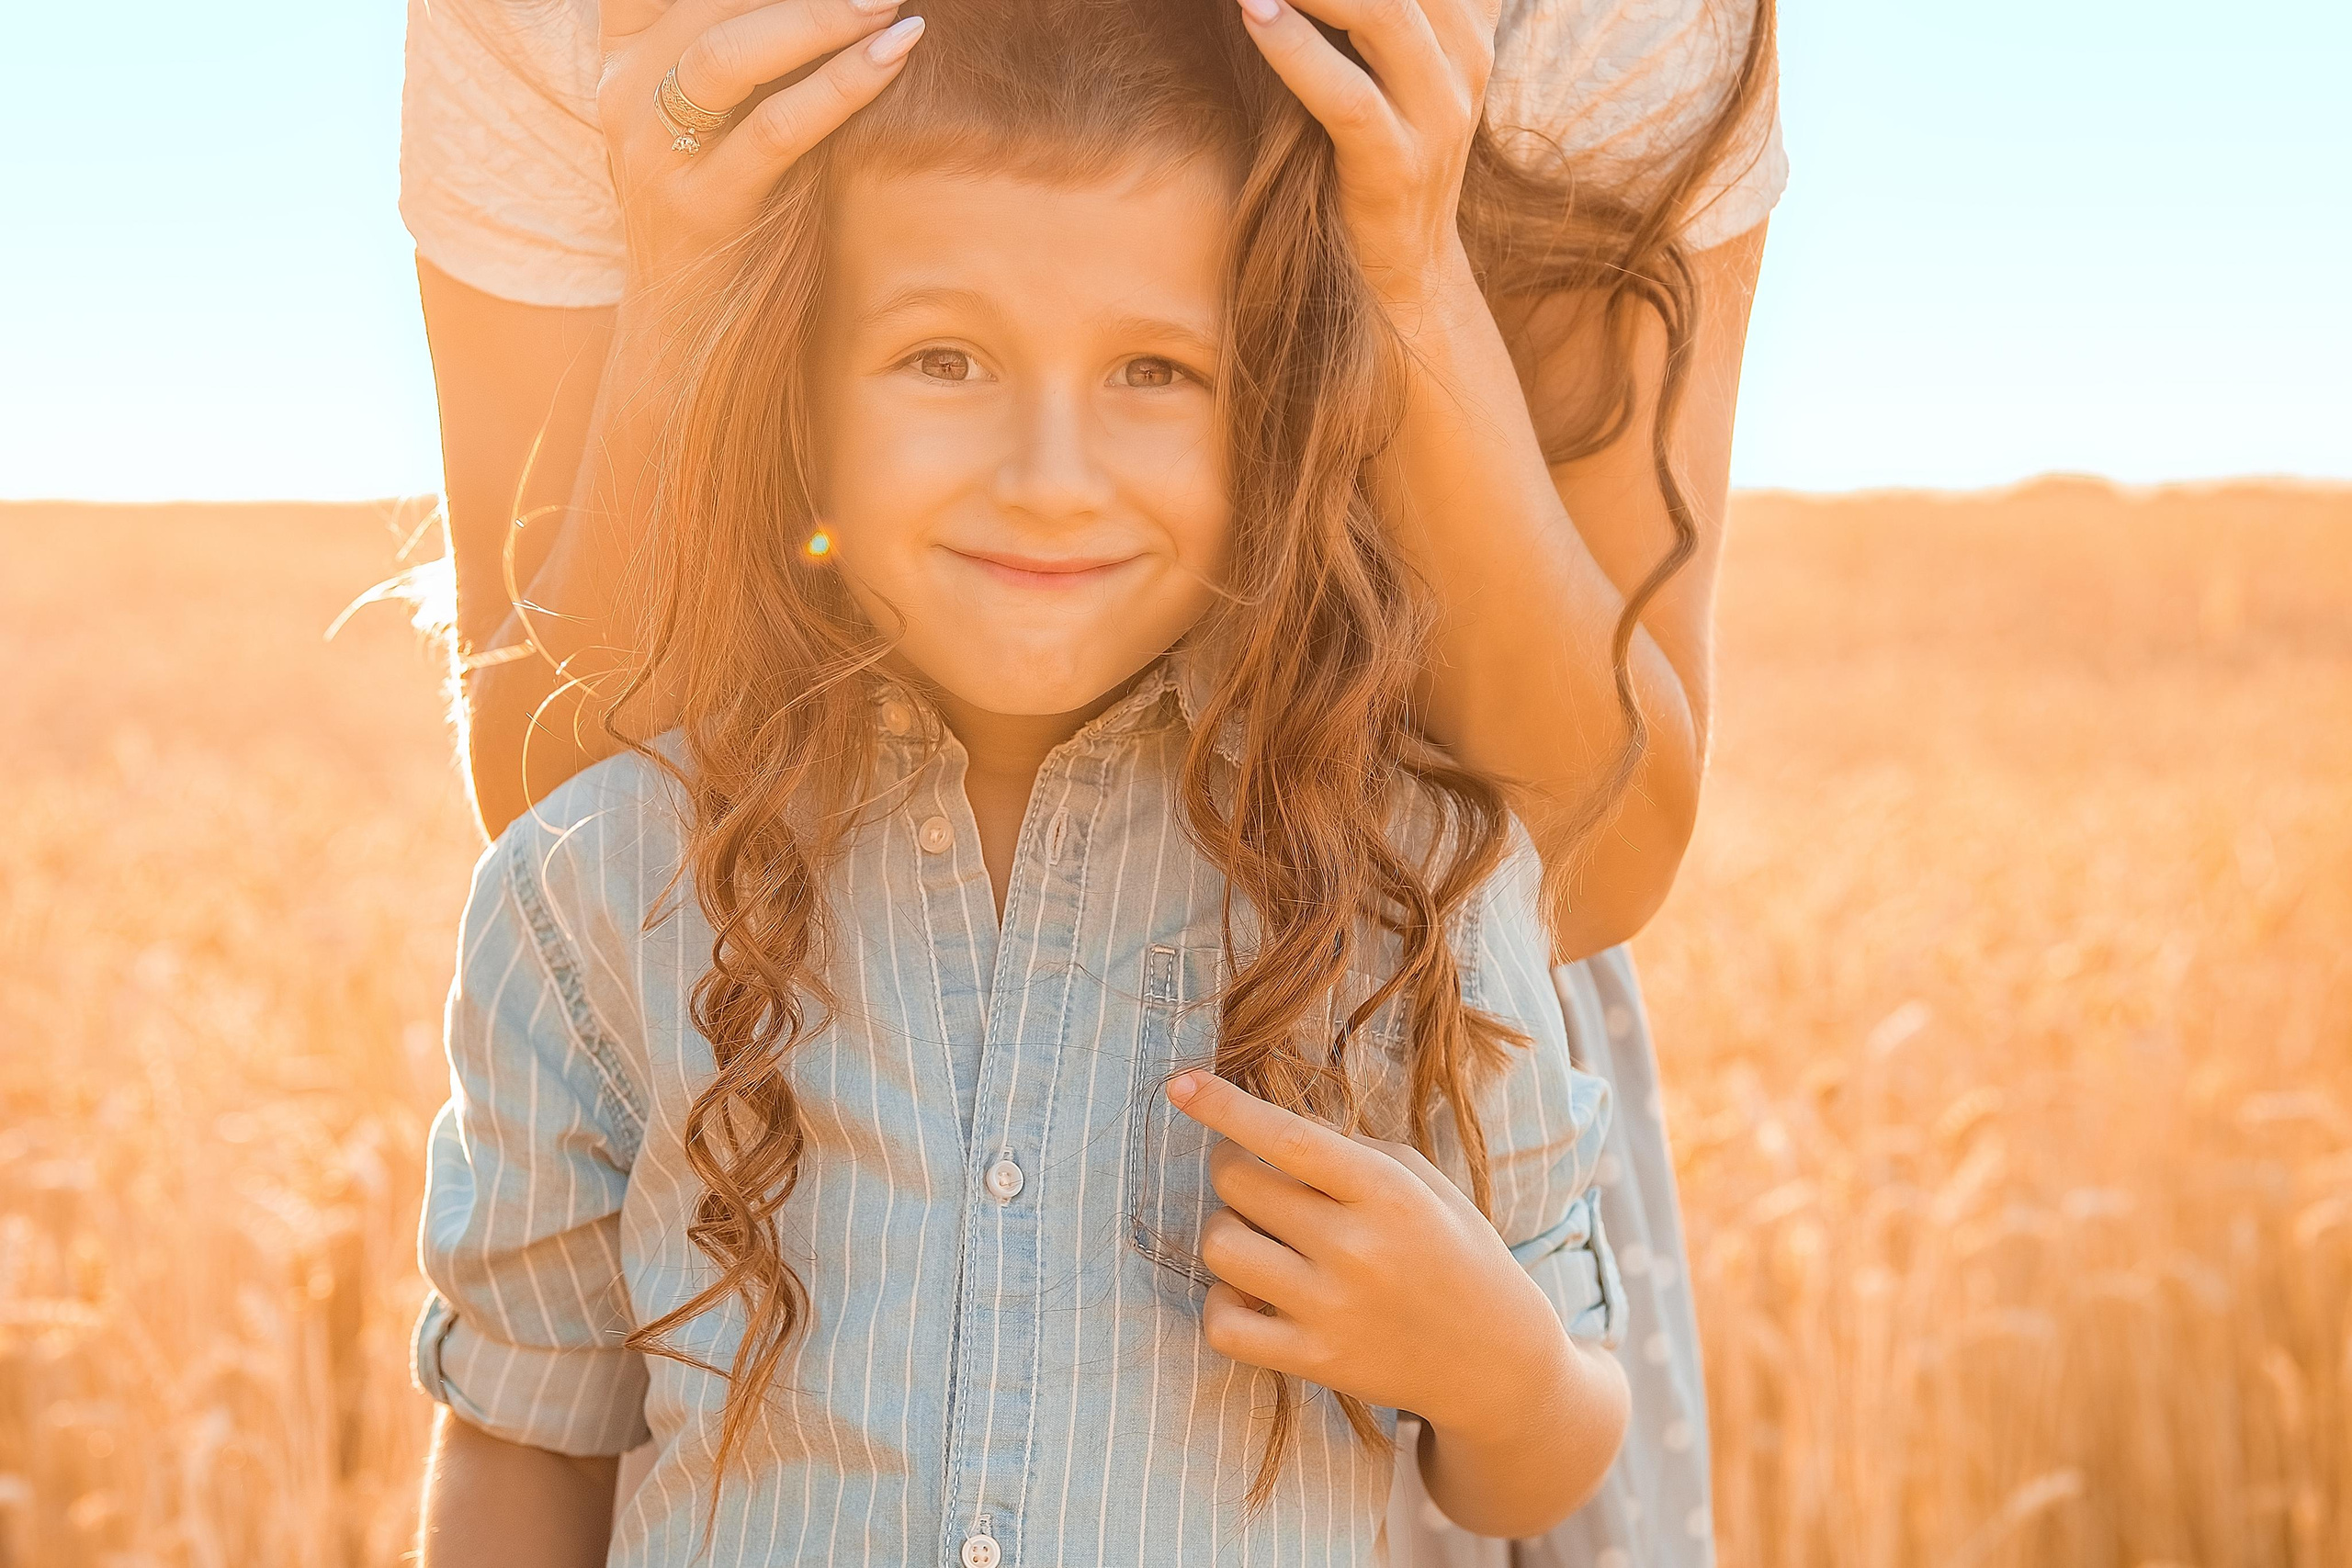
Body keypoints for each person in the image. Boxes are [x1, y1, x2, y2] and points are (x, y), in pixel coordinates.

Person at [401, 0, 1782, 1560]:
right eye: (944, 359)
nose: (1048, 477)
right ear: (794, 390)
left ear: (1283, 414)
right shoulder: (609, 883)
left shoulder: (1423, 883)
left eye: (1156, 372)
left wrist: (1508, 1378)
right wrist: (681, 292)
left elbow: (1544, 1426)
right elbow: (524, 1425)